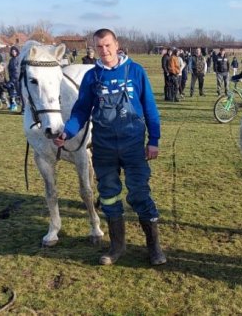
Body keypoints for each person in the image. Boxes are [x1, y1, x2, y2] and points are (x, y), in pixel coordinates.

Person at [53, 28, 166, 266]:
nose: (104, 51)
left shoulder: (135, 71)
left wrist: (153, 140)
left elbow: (150, 108)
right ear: (93, 48)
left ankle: (154, 247)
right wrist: (67, 131)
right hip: (103, 147)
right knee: (109, 196)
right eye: (99, 47)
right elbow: (81, 110)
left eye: (107, 46)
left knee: (139, 194)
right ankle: (117, 246)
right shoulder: (92, 77)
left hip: (133, 144)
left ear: (116, 45)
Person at [7, 46, 22, 113]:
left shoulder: (18, 59)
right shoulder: (11, 60)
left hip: (17, 79)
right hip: (12, 78)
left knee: (18, 93)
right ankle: (13, 105)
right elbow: (9, 69)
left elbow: (17, 70)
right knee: (11, 93)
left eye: (14, 51)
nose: (13, 53)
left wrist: (15, 78)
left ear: (17, 52)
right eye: (12, 51)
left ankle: (21, 106)